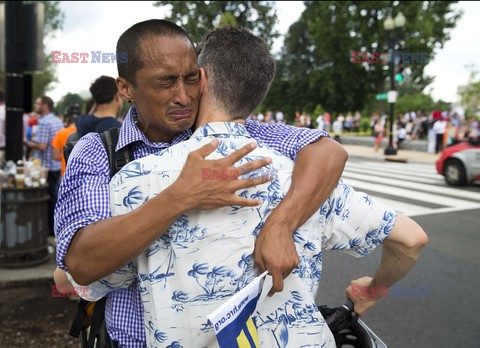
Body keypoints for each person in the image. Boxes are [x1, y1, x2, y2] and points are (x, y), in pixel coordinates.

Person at [71, 26, 427, 347]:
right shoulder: (294, 172)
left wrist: (281, 224)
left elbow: (87, 280)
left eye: (188, 79)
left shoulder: (134, 182)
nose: (181, 96)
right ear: (125, 88)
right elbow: (412, 239)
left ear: (203, 79)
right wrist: (373, 288)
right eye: (166, 82)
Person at [25, 96, 63, 235]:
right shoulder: (57, 121)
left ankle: (49, 230)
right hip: (56, 164)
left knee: (47, 200)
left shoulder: (44, 123)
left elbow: (41, 146)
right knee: (54, 197)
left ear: (45, 105)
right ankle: (55, 227)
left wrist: (26, 142)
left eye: (37, 103)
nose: (35, 105)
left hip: (45, 166)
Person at [51, 104, 79, 177]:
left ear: (67, 119)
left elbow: (55, 156)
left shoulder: (61, 133)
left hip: (65, 174)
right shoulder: (86, 132)